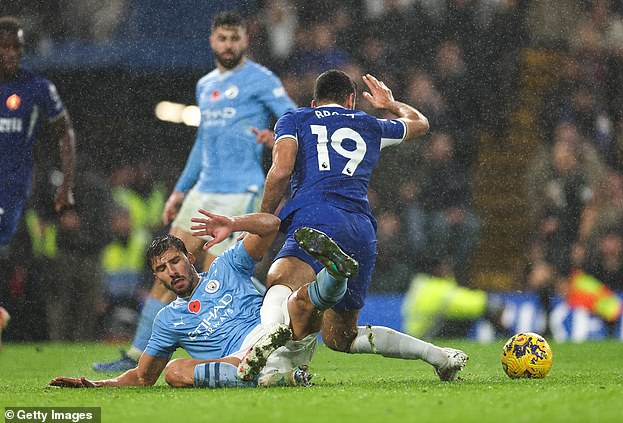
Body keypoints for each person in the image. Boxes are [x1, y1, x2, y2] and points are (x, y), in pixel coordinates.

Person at [93, 11, 296, 372]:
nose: (229, 45)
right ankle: (138, 355)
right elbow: (202, 144)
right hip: (204, 190)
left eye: (235, 39)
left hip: (240, 189)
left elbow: (293, 117)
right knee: (169, 265)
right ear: (212, 40)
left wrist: (278, 137)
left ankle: (244, 350)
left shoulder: (261, 79)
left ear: (245, 41)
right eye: (223, 38)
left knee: (220, 275)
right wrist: (178, 192)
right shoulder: (205, 86)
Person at [257, 70, 468, 381]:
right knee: (340, 337)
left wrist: (264, 220)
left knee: (280, 281)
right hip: (360, 230)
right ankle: (439, 356)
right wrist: (392, 103)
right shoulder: (370, 124)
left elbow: (280, 171)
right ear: (351, 99)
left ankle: (273, 361)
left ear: (315, 102)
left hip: (316, 215)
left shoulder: (296, 119)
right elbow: (421, 124)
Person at [50, 210, 358, 388]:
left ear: (190, 257)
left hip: (280, 332)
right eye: (161, 269)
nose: (171, 272)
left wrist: (235, 224)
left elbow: (271, 226)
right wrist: (98, 385)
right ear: (157, 278)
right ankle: (276, 375)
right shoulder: (168, 319)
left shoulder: (226, 266)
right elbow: (144, 377)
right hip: (240, 360)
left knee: (297, 302)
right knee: (174, 371)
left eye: (174, 261)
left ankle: (337, 272)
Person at [0, 16, 75, 248]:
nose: (13, 53)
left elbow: (65, 132)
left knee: (13, 251)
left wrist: (66, 185)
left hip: (16, 186)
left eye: (18, 47)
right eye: (6, 47)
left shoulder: (38, 88)